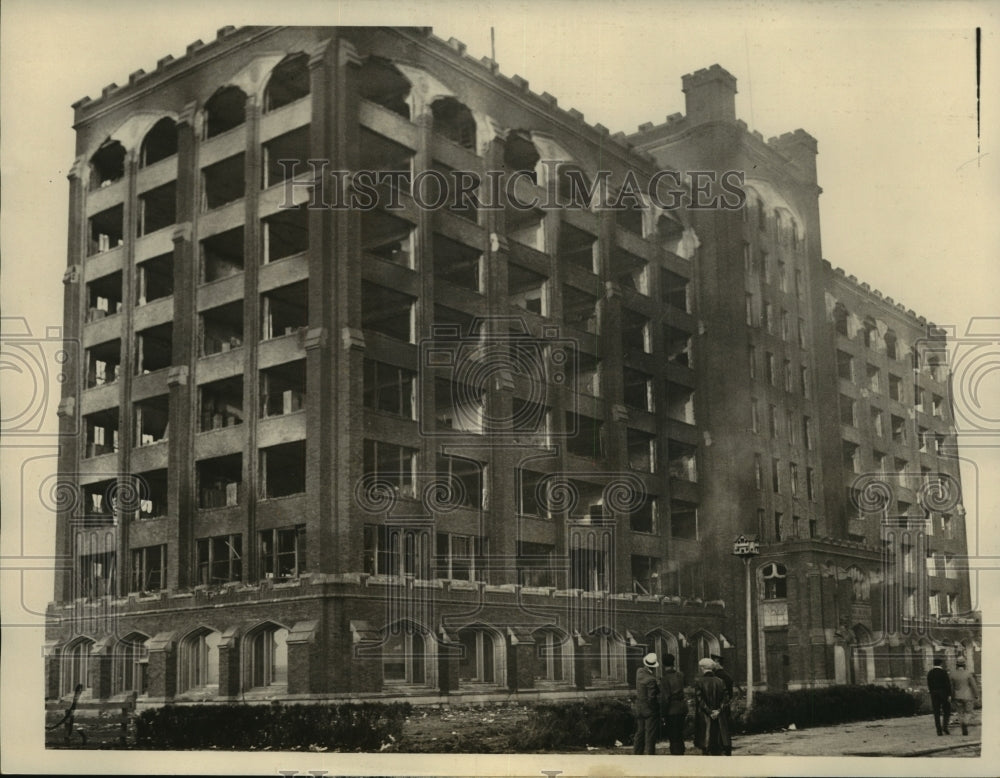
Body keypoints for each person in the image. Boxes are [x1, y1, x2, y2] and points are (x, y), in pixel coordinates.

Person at [693, 656, 731, 755]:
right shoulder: (720, 681)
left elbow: (700, 700)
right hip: (719, 717)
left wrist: (709, 712)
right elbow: (726, 698)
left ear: (702, 668)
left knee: (706, 745)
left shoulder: (699, 682)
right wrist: (718, 711)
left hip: (705, 717)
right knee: (718, 744)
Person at [658, 653, 687, 755]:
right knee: (680, 734)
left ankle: (676, 755)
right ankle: (681, 753)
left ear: (663, 664)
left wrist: (663, 714)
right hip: (682, 708)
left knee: (673, 736)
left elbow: (665, 698)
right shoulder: (680, 675)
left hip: (671, 710)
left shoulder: (664, 679)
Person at [633, 652, 660, 754]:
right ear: (653, 666)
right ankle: (650, 755)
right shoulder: (651, 680)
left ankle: (637, 753)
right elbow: (651, 698)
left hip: (639, 707)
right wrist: (655, 709)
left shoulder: (639, 672)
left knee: (640, 733)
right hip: (649, 710)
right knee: (650, 734)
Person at [711, 654, 734, 755]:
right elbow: (730, 694)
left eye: (713, 662)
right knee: (726, 730)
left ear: (717, 662)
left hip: (716, 707)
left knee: (717, 730)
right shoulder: (727, 675)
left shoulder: (717, 676)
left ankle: (720, 750)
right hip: (725, 706)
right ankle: (727, 749)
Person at [950, 656, 979, 736]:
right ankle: (965, 723)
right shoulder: (968, 673)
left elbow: (951, 687)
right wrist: (976, 695)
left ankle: (962, 723)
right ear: (964, 665)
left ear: (957, 664)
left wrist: (952, 696)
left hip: (957, 696)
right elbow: (973, 685)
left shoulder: (952, 674)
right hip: (968, 696)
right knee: (968, 711)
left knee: (960, 712)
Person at [926, 656, 951, 735]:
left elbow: (929, 684)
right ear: (941, 664)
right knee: (946, 710)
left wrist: (931, 692)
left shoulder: (930, 673)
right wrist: (949, 695)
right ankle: (945, 727)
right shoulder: (944, 672)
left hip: (934, 693)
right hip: (944, 693)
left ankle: (939, 731)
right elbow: (948, 684)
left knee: (936, 712)